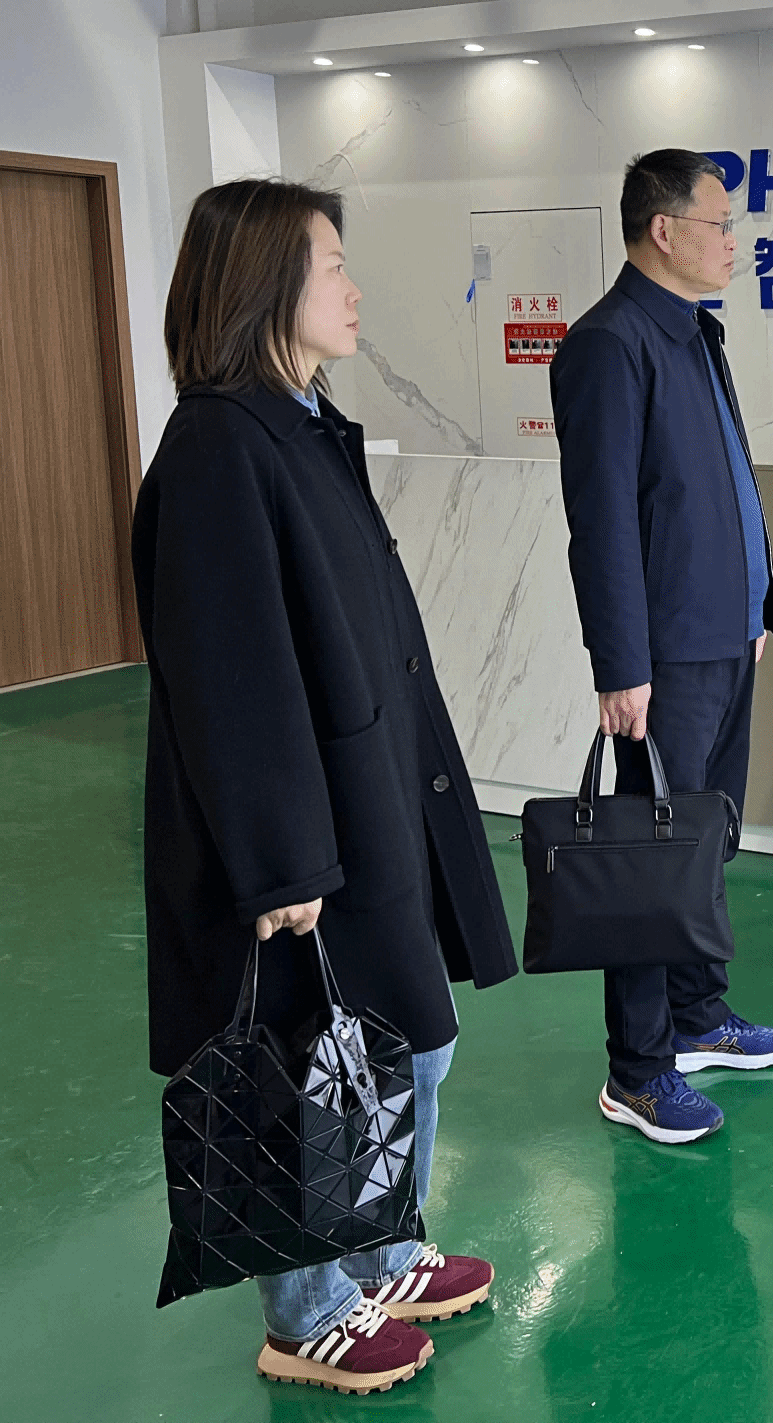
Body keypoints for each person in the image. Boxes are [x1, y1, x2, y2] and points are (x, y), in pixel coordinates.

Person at [133, 180, 516, 1394]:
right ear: (264, 285)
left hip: (366, 802)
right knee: (303, 1067)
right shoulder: (217, 448)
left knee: (402, 1043)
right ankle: (304, 1314)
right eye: (333, 264)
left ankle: (381, 1250)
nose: (354, 289)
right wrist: (280, 858)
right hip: (301, 836)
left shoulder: (300, 425)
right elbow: (228, 676)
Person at [550, 149, 773, 1145]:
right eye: (719, 224)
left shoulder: (696, 333)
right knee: (650, 863)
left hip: (726, 640)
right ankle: (639, 1070)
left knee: (704, 843)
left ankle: (697, 1015)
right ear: (664, 230)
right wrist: (622, 666)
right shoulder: (610, 345)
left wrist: (759, 606)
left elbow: (726, 481)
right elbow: (601, 518)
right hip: (665, 660)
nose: (734, 242)